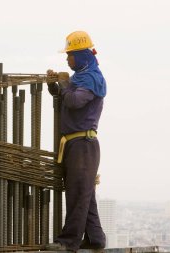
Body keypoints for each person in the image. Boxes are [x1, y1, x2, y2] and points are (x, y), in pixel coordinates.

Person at [46, 31, 107, 251]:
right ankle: (96, 238)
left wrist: (63, 85)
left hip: (83, 145)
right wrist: (55, 86)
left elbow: (74, 100)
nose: (67, 59)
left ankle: (68, 242)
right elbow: (66, 96)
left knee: (77, 193)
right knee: (85, 194)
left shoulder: (92, 78)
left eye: (70, 55)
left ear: (81, 55)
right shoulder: (80, 77)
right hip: (75, 145)